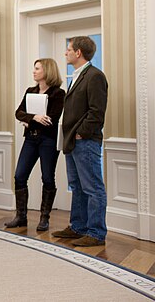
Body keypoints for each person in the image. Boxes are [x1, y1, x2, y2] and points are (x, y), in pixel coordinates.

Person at [52, 36, 108, 246]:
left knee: (92, 187)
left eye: (68, 49)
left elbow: (96, 112)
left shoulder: (95, 76)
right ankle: (78, 227)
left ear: (78, 53)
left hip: (85, 141)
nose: (65, 53)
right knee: (77, 185)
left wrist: (81, 133)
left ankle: (96, 233)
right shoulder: (77, 76)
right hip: (72, 141)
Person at [5, 58, 65, 231]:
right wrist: (34, 118)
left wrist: (28, 120)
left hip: (48, 141)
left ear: (47, 71)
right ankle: (21, 217)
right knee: (19, 175)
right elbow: (18, 113)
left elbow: (51, 120)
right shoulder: (30, 91)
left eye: (37, 68)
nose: (34, 71)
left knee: (47, 177)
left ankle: (44, 218)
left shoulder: (58, 94)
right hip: (30, 139)